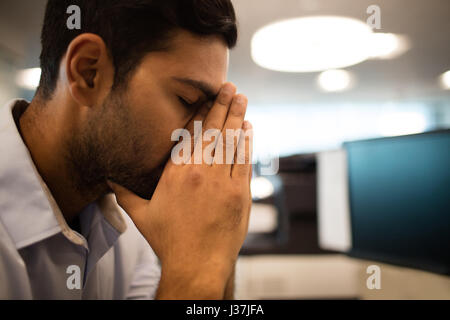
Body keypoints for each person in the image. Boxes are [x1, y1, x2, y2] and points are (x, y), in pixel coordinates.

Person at [0, 0, 252, 299]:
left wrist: (215, 241)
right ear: (88, 72)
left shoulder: (127, 234)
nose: (200, 139)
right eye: (187, 100)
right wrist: (196, 267)